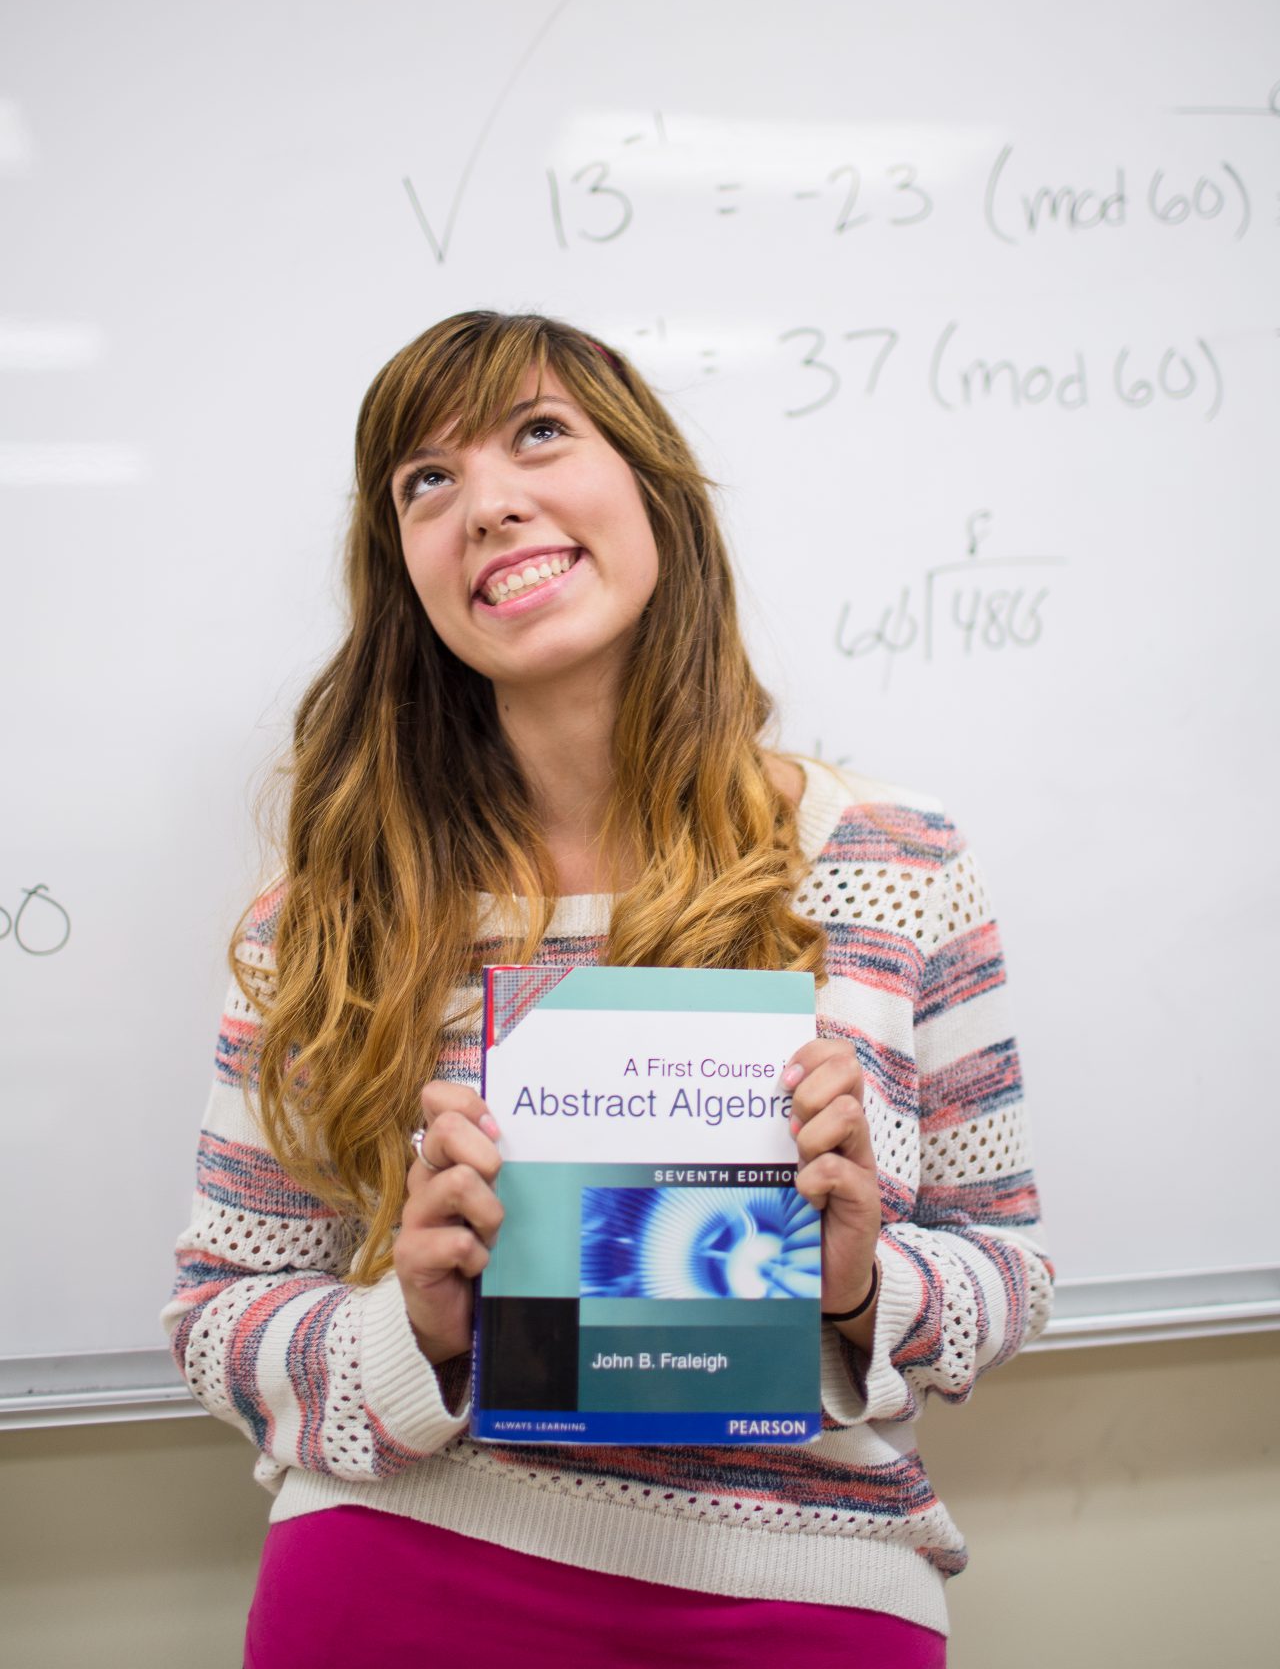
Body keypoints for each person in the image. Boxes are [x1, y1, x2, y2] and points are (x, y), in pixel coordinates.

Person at [164, 310, 1053, 1668]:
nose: (489, 503)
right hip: (403, 1568)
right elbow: (219, 1313)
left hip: (806, 1590)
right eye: (426, 480)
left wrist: (867, 1284)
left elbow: (1012, 1273)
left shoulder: (893, 863)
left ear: (649, 484)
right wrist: (412, 1327)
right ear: (401, 569)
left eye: (537, 434)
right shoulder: (328, 924)